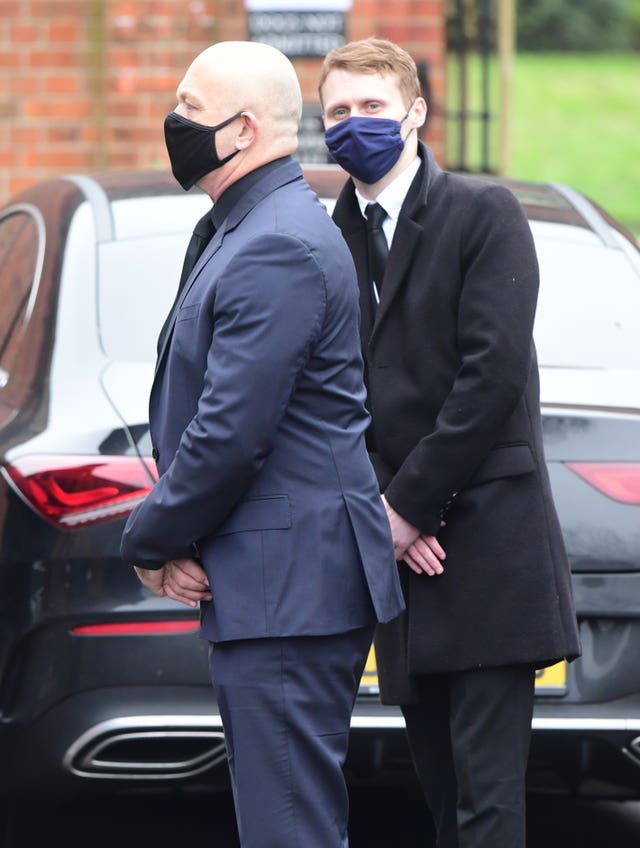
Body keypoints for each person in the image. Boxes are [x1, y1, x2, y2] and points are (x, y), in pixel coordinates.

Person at [120, 40, 404, 848]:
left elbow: (232, 433)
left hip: (292, 591)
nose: (174, 122)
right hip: (279, 586)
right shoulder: (242, 226)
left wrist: (149, 538)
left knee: (288, 830)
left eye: (190, 108)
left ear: (244, 130)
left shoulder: (275, 241)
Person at [319, 37, 581, 848]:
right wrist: (384, 515)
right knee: (437, 797)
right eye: (337, 111)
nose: (354, 123)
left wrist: (405, 506)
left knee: (488, 805)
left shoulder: (483, 215)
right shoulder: (327, 239)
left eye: (372, 107)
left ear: (416, 114)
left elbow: (490, 378)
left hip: (487, 550)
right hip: (400, 562)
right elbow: (328, 397)